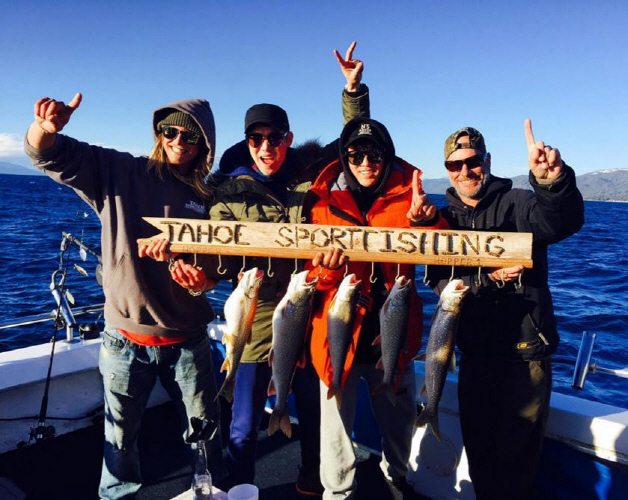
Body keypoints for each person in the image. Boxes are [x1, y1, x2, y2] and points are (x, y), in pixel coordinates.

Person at [24, 94, 223, 499]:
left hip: (188, 340)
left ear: (205, 144)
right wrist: (44, 130)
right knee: (118, 439)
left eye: (191, 135)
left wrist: (201, 281)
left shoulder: (211, 196)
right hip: (123, 340)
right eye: (171, 130)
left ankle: (207, 491)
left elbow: (221, 267)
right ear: (158, 133)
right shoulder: (120, 171)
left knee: (204, 434)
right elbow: (48, 156)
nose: (179, 141)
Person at [195, 42, 370, 497]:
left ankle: (310, 484)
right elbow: (219, 252)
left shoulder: (310, 174)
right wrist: (195, 265)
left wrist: (353, 91)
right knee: (243, 419)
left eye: (275, 138)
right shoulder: (228, 191)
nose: (266, 147)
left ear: (288, 139)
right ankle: (239, 488)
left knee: (312, 413)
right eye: (257, 139)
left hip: (308, 308)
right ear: (247, 142)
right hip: (254, 313)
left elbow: (353, 139)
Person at [426, 121, 584, 500]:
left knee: (516, 466)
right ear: (447, 169)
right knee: (481, 456)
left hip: (524, 356)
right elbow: (436, 279)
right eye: (455, 165)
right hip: (474, 356)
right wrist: (486, 281)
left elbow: (560, 221)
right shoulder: (443, 219)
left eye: (473, 161)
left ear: (488, 161)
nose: (465, 171)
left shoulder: (519, 201)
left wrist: (551, 183)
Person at [305, 116, 440, 500]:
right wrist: (328, 272)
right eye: (356, 154)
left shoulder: (412, 195)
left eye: (374, 154)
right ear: (345, 157)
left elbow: (442, 247)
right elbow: (310, 272)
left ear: (387, 156)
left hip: (394, 340)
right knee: (334, 435)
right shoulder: (320, 201)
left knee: (398, 428)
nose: (366, 162)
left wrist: (427, 222)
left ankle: (396, 479)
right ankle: (337, 493)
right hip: (335, 339)